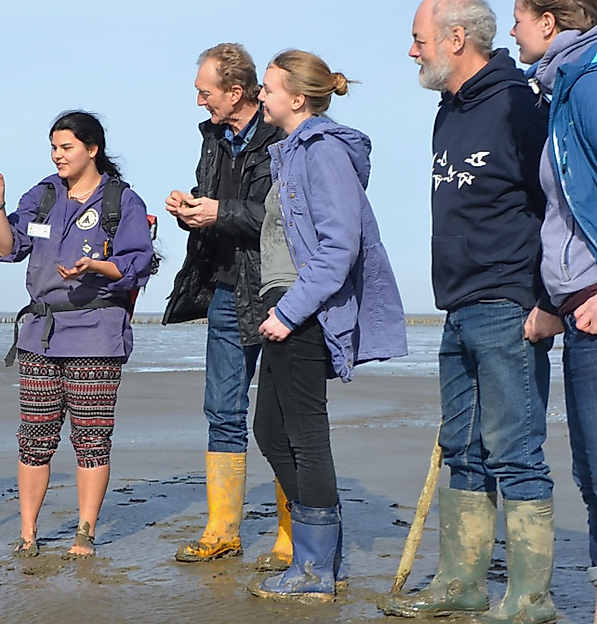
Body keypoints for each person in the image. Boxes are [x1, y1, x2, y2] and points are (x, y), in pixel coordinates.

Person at [382, 1, 557, 621]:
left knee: (515, 450)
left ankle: (530, 599)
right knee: (462, 448)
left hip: (510, 302)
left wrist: (550, 301)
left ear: (456, 38)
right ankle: (461, 584)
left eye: (419, 39)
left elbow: (556, 203)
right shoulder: (448, 110)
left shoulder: (521, 104)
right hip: (457, 304)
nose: (412, 51)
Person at [244, 51, 406, 602]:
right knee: (271, 430)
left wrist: (290, 312)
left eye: (268, 89)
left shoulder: (323, 151)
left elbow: (340, 246)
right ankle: (322, 554)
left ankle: (314, 569)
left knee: (305, 435)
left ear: (297, 98)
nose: (260, 96)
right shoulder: (289, 152)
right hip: (284, 303)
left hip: (303, 308)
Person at [0, 110, 156, 558]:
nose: (58, 156)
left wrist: (95, 265)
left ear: (92, 149)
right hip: (40, 334)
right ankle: (27, 534)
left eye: (66, 147)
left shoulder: (122, 201)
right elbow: (7, 247)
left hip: (97, 333)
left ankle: (85, 533)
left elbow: (137, 264)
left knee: (91, 438)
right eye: (54, 148)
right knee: (34, 437)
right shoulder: (42, 195)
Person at [162, 43, 292, 568]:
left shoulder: (283, 135)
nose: (200, 102)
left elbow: (283, 217)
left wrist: (219, 212)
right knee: (222, 411)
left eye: (205, 92)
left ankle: (290, 535)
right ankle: (222, 531)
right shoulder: (213, 137)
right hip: (223, 290)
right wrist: (190, 209)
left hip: (279, 291)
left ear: (236, 92)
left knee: (284, 416)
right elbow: (217, 203)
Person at [512, 1, 597, 622]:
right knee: (590, 473)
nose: (512, 30)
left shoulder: (587, 85)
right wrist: (552, 301)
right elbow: (565, 216)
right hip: (575, 307)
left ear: (549, 22)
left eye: (518, 16)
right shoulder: (562, 88)